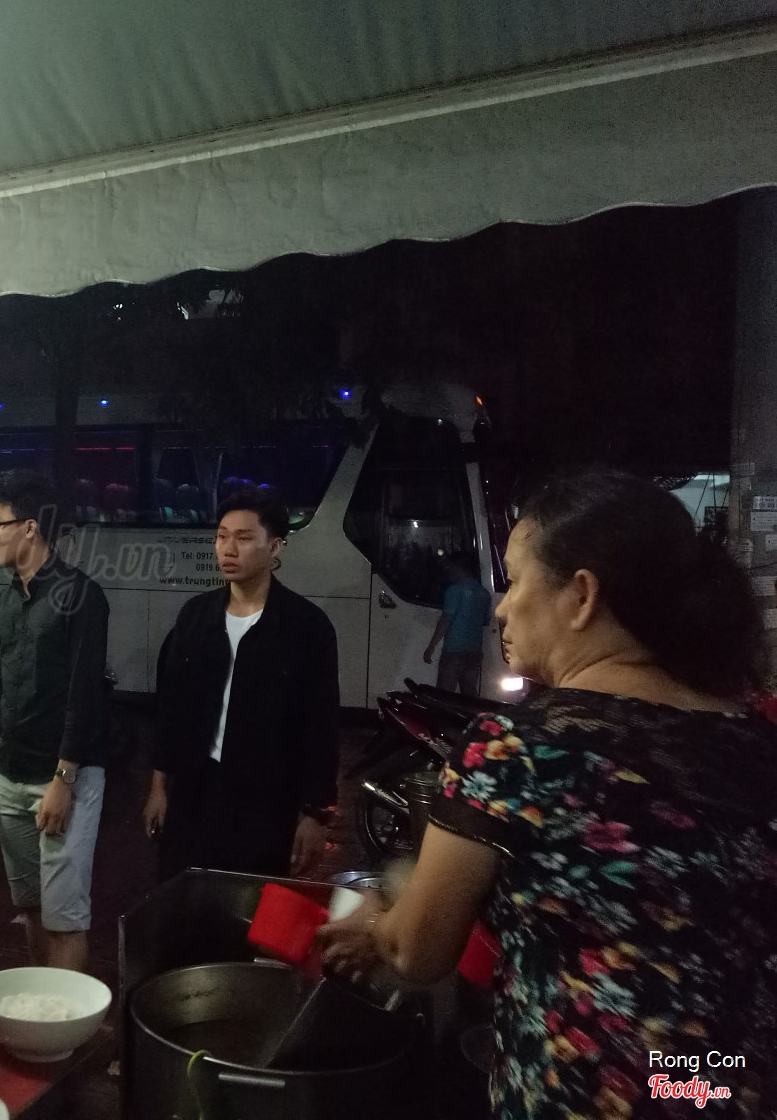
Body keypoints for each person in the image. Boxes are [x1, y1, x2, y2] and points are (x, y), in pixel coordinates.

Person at [318, 469, 777, 1118]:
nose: (501, 607)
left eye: (515, 580)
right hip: (720, 1091)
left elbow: (416, 951)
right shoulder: (756, 742)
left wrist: (375, 921)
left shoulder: (515, 751)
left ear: (581, 596)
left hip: (589, 1097)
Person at [0, 470, 110, 974]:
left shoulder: (81, 596)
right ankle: (38, 1007)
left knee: (64, 918)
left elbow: (84, 696)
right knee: (32, 909)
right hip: (10, 776)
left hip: (62, 779)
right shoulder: (6, 600)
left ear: (30, 528)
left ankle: (69, 1018)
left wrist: (63, 780)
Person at [143, 488, 339, 882]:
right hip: (193, 791)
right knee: (180, 895)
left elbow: (320, 727)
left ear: (275, 546)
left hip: (264, 801)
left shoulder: (305, 627)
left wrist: (315, 815)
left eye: (244, 538)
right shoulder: (195, 616)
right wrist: (158, 786)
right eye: (222, 536)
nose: (228, 549)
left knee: (246, 904)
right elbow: (171, 709)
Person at [424, 551, 493, 695]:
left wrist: (431, 646)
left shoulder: (454, 590)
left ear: (458, 567)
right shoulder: (484, 593)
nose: (448, 572)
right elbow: (486, 621)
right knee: (469, 694)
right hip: (474, 652)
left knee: (444, 695)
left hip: (454, 651)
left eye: (450, 567)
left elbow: (445, 620)